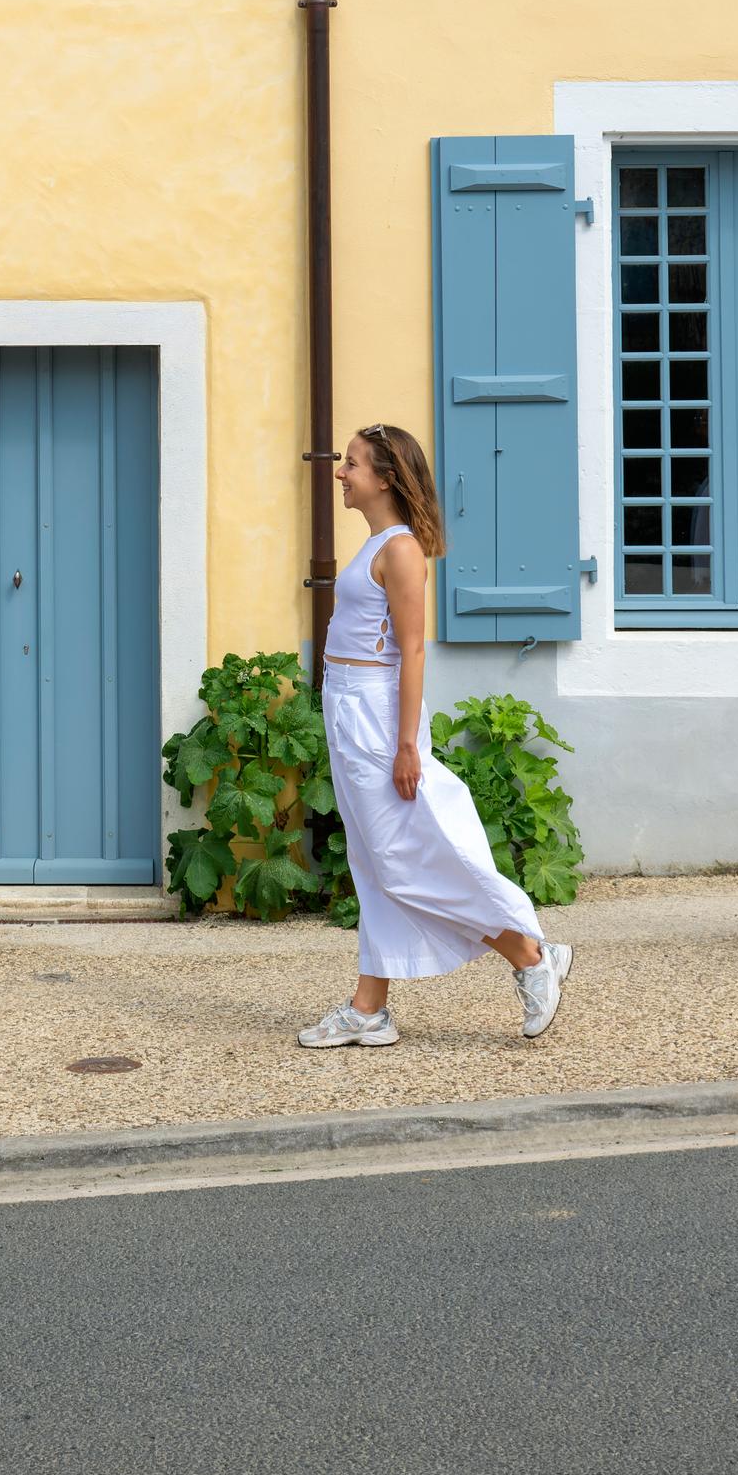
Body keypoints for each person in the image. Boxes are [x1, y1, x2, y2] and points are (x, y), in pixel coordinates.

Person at [296, 425, 569, 1047]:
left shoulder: (401, 551)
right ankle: (369, 1009)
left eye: (353, 464)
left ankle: (528, 955)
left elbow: (413, 651)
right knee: (374, 863)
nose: (341, 472)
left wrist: (407, 744)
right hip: (347, 704)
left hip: (372, 713)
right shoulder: (375, 547)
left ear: (386, 478)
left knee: (401, 861)